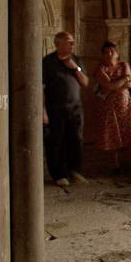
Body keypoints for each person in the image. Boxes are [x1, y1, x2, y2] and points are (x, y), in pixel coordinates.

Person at [43, 31, 90, 187]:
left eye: (73, 42)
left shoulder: (76, 60)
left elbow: (85, 83)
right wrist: (42, 111)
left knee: (76, 139)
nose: (72, 44)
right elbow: (40, 87)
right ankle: (59, 174)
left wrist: (75, 68)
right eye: (68, 42)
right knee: (56, 141)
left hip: (75, 108)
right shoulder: (47, 62)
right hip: (55, 108)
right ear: (58, 44)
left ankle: (74, 171)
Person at [93, 41, 131, 172]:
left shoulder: (124, 65)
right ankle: (114, 165)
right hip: (109, 107)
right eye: (106, 52)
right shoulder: (100, 69)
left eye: (112, 51)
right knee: (112, 135)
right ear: (103, 55)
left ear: (117, 54)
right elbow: (111, 85)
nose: (109, 54)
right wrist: (124, 80)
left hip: (126, 105)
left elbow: (130, 84)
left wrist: (115, 84)